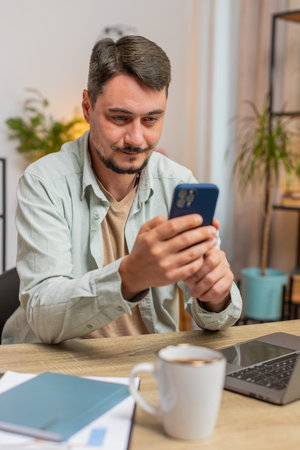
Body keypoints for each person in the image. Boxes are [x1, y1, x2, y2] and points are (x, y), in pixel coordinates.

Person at [2, 35, 242, 344]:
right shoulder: (44, 183)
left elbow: (218, 317)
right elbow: (43, 318)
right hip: (55, 366)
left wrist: (215, 296)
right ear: (87, 108)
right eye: (120, 118)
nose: (136, 139)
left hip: (146, 367)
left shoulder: (179, 183)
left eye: (151, 119)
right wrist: (130, 276)